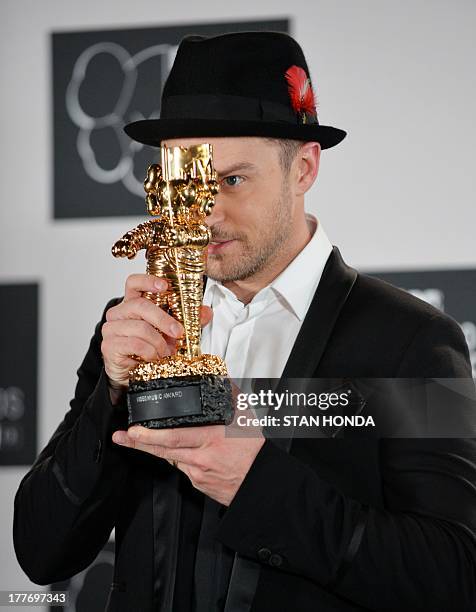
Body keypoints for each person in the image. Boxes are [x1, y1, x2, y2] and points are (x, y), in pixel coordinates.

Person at [13, 31, 476, 612]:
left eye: (232, 180)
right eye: (187, 186)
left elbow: (455, 575)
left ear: (303, 168)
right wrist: (110, 393)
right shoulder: (137, 327)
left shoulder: (407, 341)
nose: (205, 214)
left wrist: (257, 487)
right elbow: (40, 552)